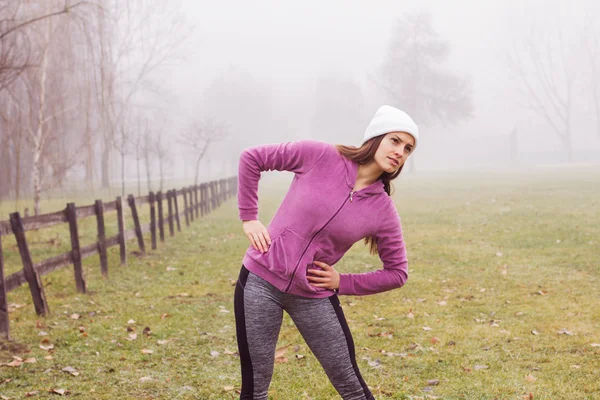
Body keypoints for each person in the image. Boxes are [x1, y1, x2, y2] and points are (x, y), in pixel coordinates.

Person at [234, 105, 419, 400]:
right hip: (259, 282)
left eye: (408, 148)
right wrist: (249, 217)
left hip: (312, 295)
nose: (400, 151)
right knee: (256, 390)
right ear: (375, 137)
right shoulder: (321, 155)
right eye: (395, 140)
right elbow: (252, 158)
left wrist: (342, 282)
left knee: (351, 386)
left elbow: (397, 273)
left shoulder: (383, 209)